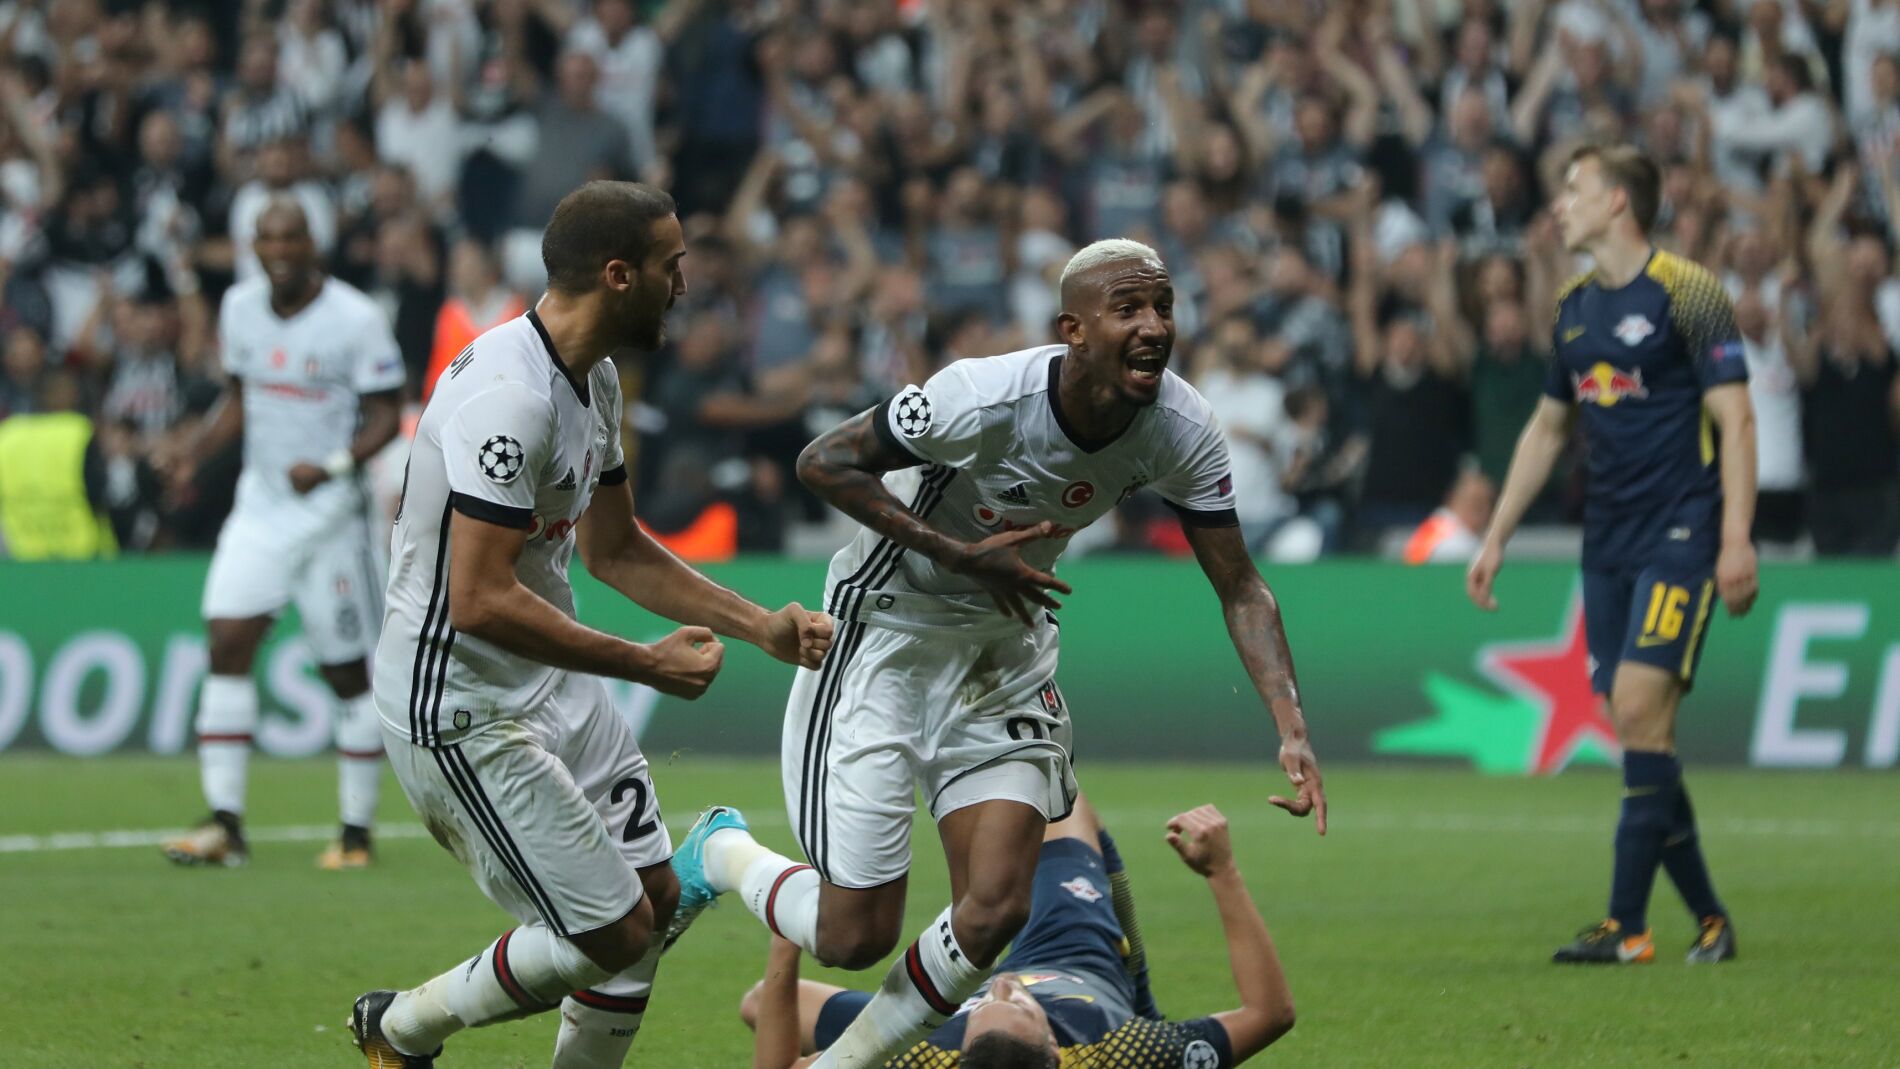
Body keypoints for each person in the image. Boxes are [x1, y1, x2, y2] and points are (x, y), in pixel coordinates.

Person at [668, 238, 1325, 1069]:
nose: (1154, 325)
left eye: (1163, 306)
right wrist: (958, 553)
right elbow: (822, 461)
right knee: (852, 935)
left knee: (997, 908)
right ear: (1073, 329)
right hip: (887, 632)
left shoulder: (1181, 427)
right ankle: (721, 851)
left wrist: (1290, 723)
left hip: (1004, 647)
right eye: (1128, 308)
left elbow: (1241, 584)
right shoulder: (982, 397)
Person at [346, 181, 834, 1069]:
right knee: (611, 932)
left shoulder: (595, 378)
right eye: (670, 266)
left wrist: (758, 624)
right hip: (458, 704)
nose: (683, 285)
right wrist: (644, 664)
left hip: (544, 681)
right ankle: (402, 1027)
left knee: (655, 901)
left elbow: (615, 550)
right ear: (618, 275)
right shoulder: (509, 397)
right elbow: (478, 598)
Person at [1467, 145, 1758, 966]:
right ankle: (1711, 919)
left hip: (1683, 532)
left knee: (1636, 706)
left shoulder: (1690, 293)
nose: (1560, 204)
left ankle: (1626, 926)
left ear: (1620, 201)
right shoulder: (1571, 308)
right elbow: (1548, 427)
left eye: (1575, 189)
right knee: (1642, 729)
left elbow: (1736, 419)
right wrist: (1497, 535)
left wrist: (1736, 536)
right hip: (1607, 544)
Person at [158, 198, 404, 870]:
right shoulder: (239, 309)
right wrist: (194, 453)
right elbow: (242, 399)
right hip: (260, 508)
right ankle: (225, 824)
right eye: (267, 239)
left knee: (347, 675)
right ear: (255, 248)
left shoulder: (356, 318)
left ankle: (355, 833)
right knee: (226, 640)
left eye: (292, 237)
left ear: (312, 244)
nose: (280, 250)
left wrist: (331, 466)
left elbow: (387, 414)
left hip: (332, 518)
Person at [740, 797, 1295, 1069]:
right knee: (1059, 801)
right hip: (1072, 958)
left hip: (939, 1015)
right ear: (1055, 1048)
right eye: (1021, 1008)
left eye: (983, 1009)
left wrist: (786, 938)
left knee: (763, 1003)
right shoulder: (1126, 1055)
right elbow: (1270, 1014)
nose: (1005, 986)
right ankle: (1139, 997)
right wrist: (1222, 872)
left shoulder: (928, 1059)